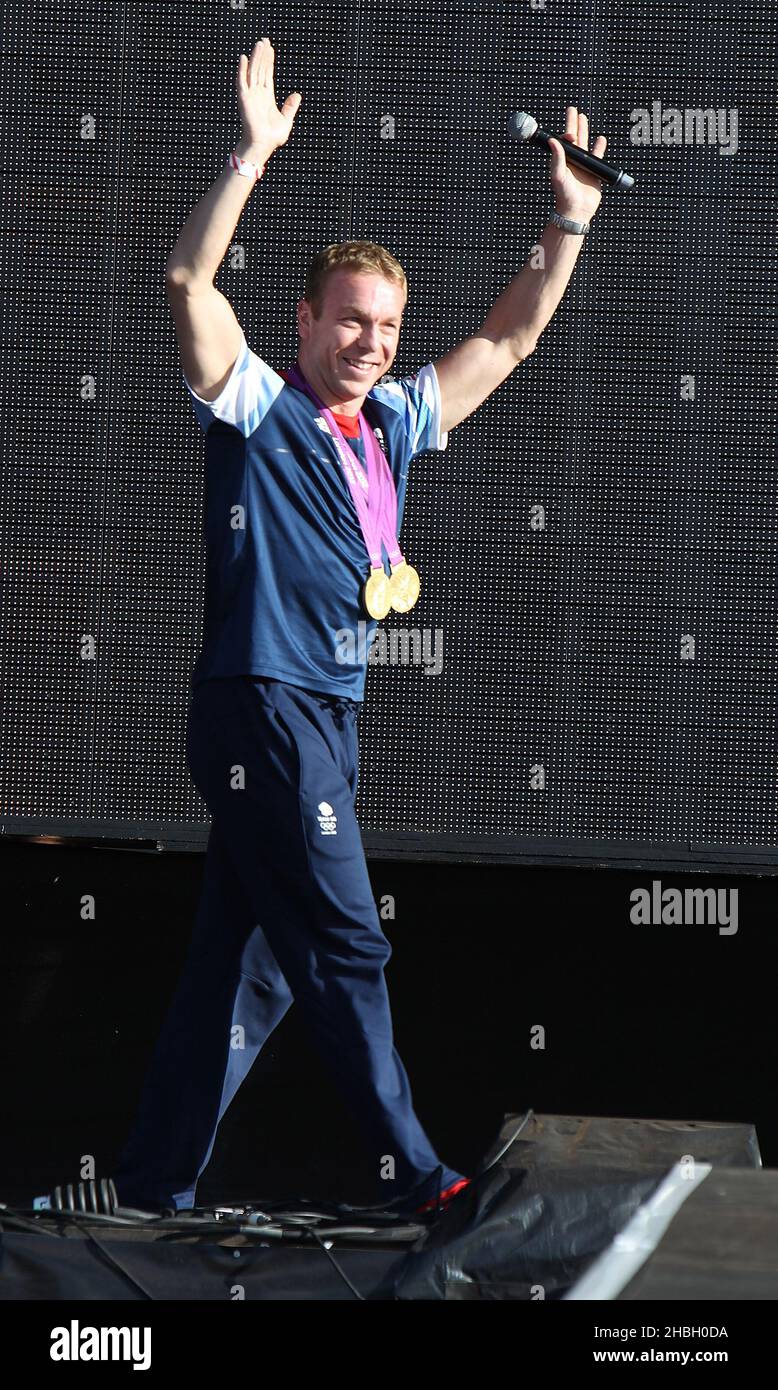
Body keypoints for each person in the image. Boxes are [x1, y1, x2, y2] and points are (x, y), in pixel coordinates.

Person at [113, 39, 607, 1218]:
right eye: (350, 322)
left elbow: (509, 341)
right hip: (263, 700)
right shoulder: (256, 404)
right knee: (348, 945)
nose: (371, 342)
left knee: (251, 971)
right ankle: (420, 1176)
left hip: (323, 715)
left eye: (385, 325)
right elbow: (188, 285)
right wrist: (249, 157)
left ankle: (147, 1189)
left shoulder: (387, 424)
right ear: (306, 322)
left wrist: (568, 225)